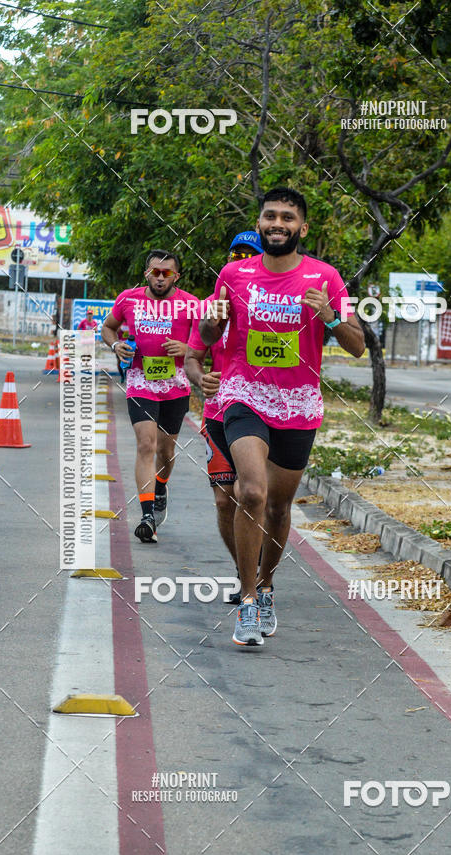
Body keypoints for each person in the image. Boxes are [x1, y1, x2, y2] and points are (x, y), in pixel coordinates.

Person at [199, 187, 364, 646]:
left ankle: (267, 585)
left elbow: (357, 346)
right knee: (251, 490)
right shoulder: (234, 274)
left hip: (297, 404)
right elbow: (211, 334)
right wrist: (212, 321)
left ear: (302, 228)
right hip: (243, 393)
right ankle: (248, 603)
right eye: (270, 216)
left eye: (287, 218)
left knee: (277, 505)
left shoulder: (325, 276)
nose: (277, 224)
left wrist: (330, 316)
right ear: (259, 224)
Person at [184, 231, 263, 603]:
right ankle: (244, 569)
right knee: (223, 500)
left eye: (251, 255)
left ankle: (262, 575)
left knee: (255, 497)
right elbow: (192, 358)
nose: (242, 260)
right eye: (237, 254)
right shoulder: (212, 306)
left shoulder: (276, 305)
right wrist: (202, 380)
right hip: (218, 412)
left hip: (263, 414)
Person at [101, 250, 198, 542]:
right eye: (155, 272)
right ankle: (146, 514)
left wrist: (187, 348)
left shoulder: (191, 304)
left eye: (166, 273)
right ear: (146, 273)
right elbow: (108, 327)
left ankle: (160, 487)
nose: (160, 277)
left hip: (176, 385)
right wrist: (116, 345)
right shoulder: (128, 299)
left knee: (166, 452)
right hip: (140, 381)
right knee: (146, 444)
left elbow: (207, 340)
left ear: (176, 276)